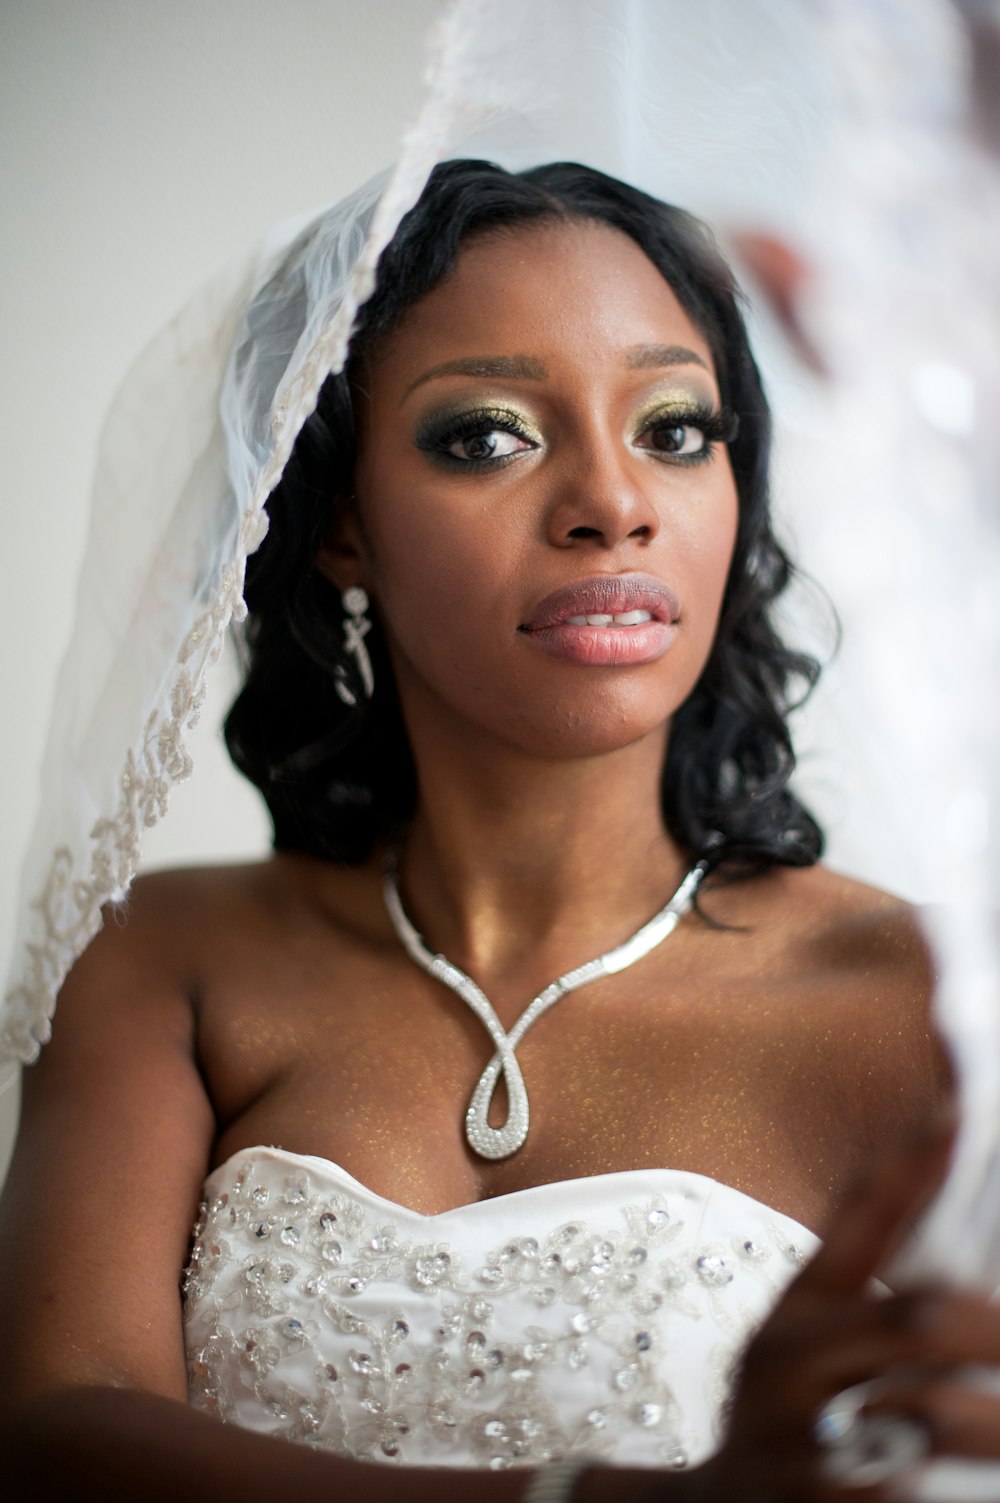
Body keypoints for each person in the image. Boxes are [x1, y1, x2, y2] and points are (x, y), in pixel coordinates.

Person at [2, 156, 999, 1503]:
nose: (613, 501)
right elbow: (60, 1427)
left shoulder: (936, 1004)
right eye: (485, 434)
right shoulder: (165, 963)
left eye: (674, 427)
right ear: (341, 522)